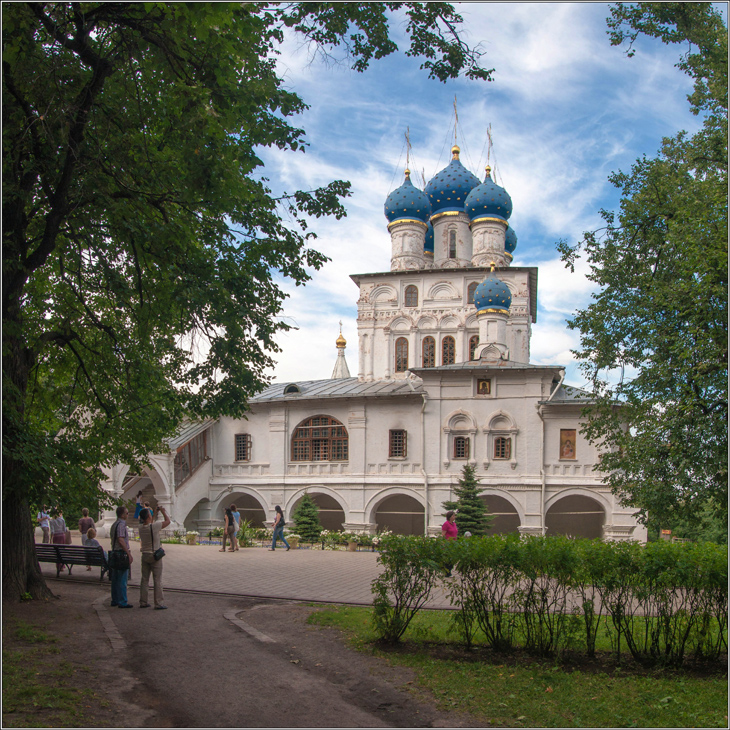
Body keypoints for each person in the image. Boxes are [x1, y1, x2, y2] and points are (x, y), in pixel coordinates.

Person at [138, 505, 171, 610]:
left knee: (144, 579)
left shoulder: (140, 527)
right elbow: (167, 521)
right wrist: (163, 511)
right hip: (155, 555)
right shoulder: (154, 526)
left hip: (145, 555)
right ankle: (158, 602)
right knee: (157, 579)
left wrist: (154, 513)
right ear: (148, 517)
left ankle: (143, 601)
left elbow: (150, 523)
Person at [109, 505, 134, 608]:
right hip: (121, 553)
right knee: (122, 578)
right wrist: (128, 553)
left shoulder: (114, 524)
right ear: (123, 515)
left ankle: (114, 599)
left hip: (114, 553)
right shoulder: (121, 525)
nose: (128, 515)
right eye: (127, 513)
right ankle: (122, 601)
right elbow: (120, 539)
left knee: (115, 578)